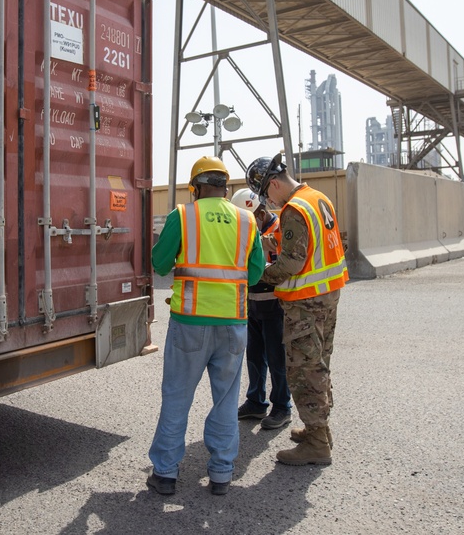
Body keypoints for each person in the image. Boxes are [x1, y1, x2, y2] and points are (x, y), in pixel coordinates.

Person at [148, 156, 265, 496]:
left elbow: (159, 263)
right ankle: (221, 474)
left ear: (195, 188)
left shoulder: (183, 216)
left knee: (177, 397)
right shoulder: (246, 220)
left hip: (190, 323)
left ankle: (166, 474)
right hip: (233, 323)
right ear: (225, 186)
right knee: (227, 400)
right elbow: (255, 274)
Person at [245, 153, 348, 466]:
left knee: (305, 370)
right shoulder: (317, 198)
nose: (269, 201)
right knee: (319, 363)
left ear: (273, 183)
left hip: (306, 303)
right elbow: (302, 242)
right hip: (328, 296)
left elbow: (291, 263)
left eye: (266, 194)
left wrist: (256, 274)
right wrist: (266, 242)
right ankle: (319, 430)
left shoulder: (294, 209)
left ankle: (317, 442)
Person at [230, 188, 293, 430]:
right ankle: (256, 401)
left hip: (274, 305)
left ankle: (282, 407)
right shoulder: (245, 230)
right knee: (254, 356)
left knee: (277, 358)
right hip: (252, 303)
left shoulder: (278, 231)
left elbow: (283, 267)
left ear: (262, 212)